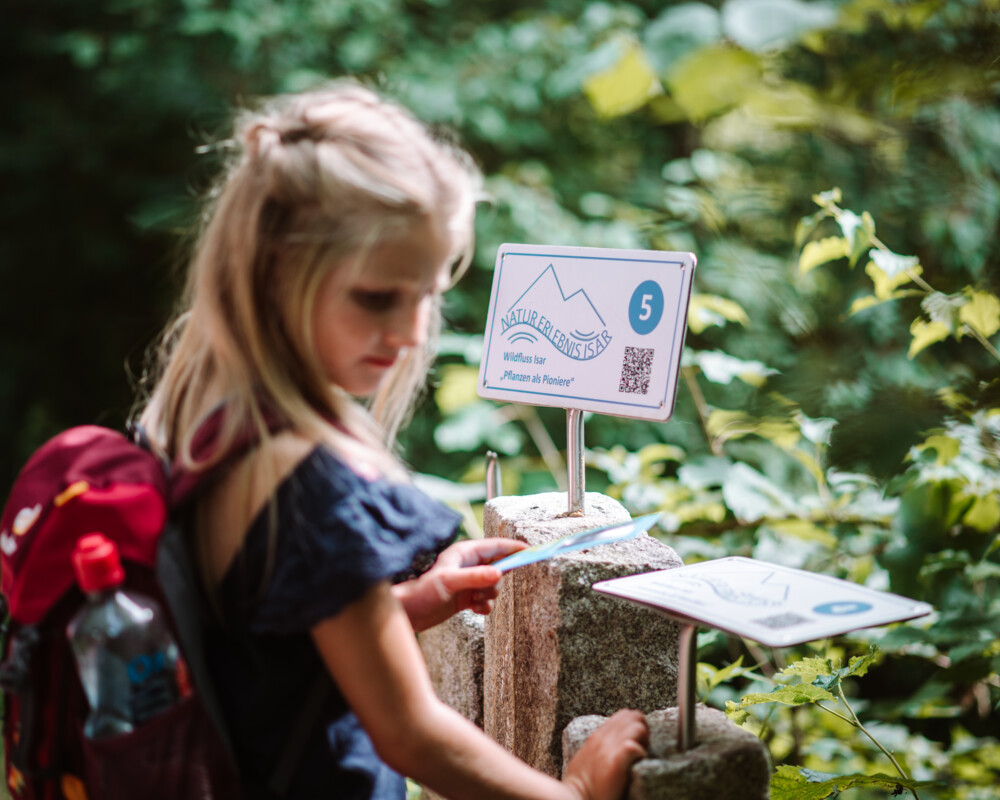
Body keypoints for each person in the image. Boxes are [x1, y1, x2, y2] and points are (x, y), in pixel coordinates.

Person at [136, 81, 648, 800]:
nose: (411, 332)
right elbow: (410, 733)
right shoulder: (306, 485)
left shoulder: (207, 417)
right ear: (277, 271)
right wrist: (578, 794)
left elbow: (265, 645)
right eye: (378, 297)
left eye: (429, 292)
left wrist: (410, 600)